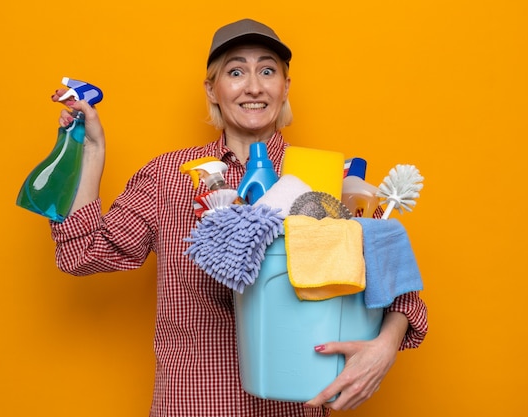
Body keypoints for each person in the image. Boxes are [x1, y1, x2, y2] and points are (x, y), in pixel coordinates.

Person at [50, 18, 428, 416]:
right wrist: (91, 153)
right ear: (212, 89)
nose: (253, 86)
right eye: (235, 71)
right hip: (193, 405)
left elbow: (398, 292)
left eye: (267, 70)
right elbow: (85, 253)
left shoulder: (327, 180)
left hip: (294, 406)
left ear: (285, 88)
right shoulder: (168, 177)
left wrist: (384, 349)